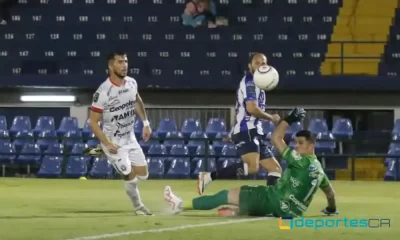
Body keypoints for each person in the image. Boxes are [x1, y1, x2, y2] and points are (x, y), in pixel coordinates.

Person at [164, 108, 339, 217]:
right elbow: (330, 195)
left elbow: (275, 138)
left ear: (312, 145)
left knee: (225, 194)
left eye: (301, 143)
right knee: (252, 196)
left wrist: (288, 119)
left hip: (274, 201)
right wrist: (331, 209)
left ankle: (180, 205)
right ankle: (237, 211)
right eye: (296, 142)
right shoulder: (320, 170)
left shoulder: (299, 160)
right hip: (293, 213)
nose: (296, 146)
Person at [197, 53, 282, 195]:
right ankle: (208, 177)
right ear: (250, 66)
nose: (261, 66)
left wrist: (231, 132)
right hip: (247, 131)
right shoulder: (250, 82)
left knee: (275, 169)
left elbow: (241, 110)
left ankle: (271, 200)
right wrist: (271, 117)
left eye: (263, 63)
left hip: (254, 131)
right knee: (253, 167)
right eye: (257, 63)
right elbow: (251, 108)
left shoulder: (259, 84)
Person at [89, 51, 153, 216]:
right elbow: (93, 122)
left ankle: (101, 151)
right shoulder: (103, 92)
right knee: (129, 176)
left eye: (125, 61)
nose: (124, 65)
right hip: (114, 142)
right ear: (111, 66)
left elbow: (137, 100)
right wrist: (107, 144)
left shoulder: (132, 83)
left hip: (130, 138)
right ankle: (138, 207)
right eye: (119, 62)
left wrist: (146, 123)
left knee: (144, 175)